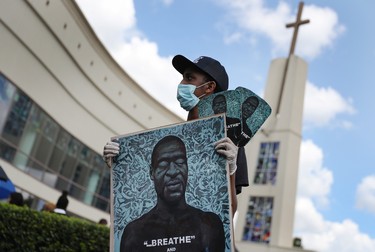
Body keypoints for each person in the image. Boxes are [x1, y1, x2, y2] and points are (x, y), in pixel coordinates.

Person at [120, 135, 225, 252]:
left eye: (180, 162)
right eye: (163, 164)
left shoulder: (209, 224)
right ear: (151, 172)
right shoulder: (134, 232)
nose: (173, 171)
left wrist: (231, 169)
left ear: (187, 167)